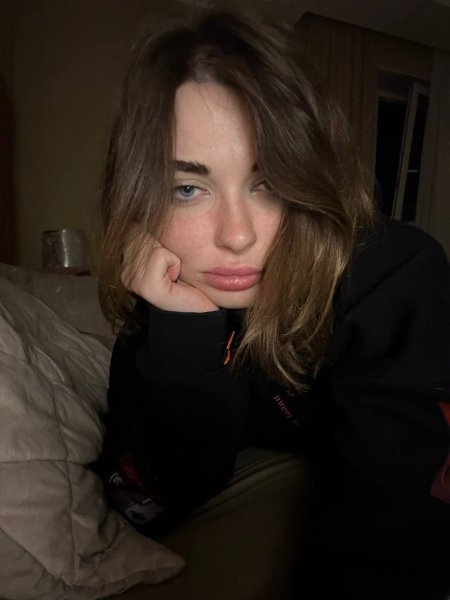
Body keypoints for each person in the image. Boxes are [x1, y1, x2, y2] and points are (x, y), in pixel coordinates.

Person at [94, 8, 450, 599]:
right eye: (187, 188)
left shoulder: (392, 273)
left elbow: (392, 534)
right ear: (138, 202)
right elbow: (157, 496)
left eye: (270, 183)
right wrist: (186, 331)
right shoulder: (163, 298)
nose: (236, 235)